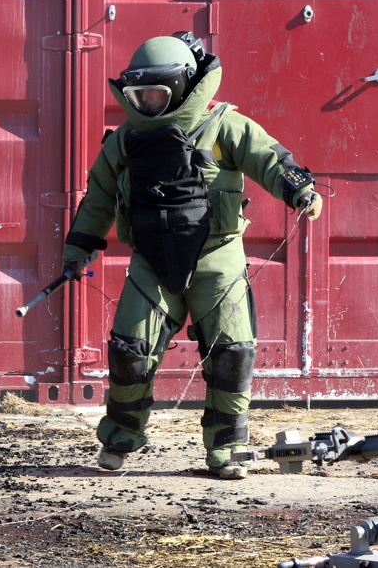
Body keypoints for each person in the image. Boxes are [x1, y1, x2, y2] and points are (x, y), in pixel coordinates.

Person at [62, 32, 322, 479]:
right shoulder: (124, 141)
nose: (146, 104)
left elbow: (268, 157)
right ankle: (121, 438)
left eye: (156, 95)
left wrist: (299, 188)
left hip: (218, 259)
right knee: (130, 350)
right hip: (150, 259)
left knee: (231, 354)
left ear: (182, 86)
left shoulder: (224, 126)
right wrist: (78, 246)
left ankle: (226, 449)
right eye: (138, 96)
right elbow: (99, 197)